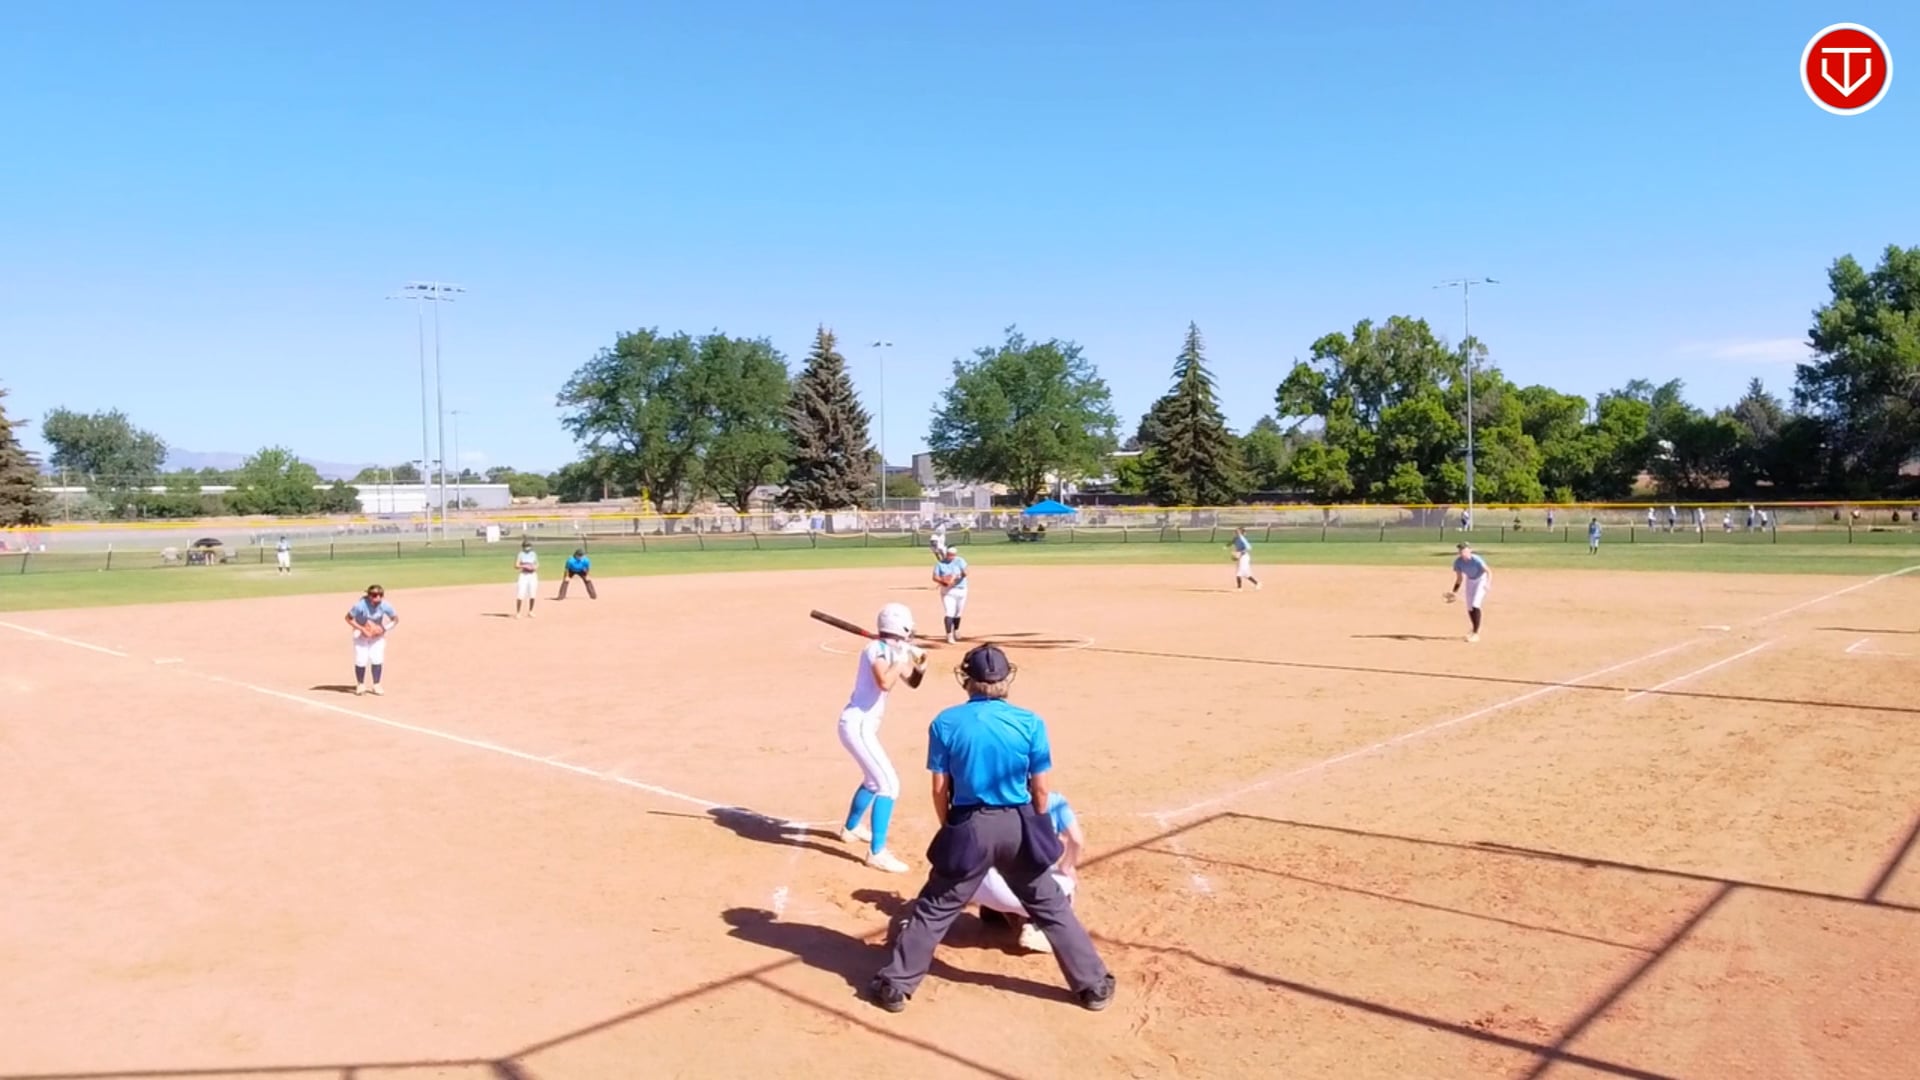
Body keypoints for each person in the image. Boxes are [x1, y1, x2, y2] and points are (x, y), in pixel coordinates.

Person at [868, 644, 1115, 1014]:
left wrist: (952, 827)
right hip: (1019, 822)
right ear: (1005, 679)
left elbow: (939, 788)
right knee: (1049, 905)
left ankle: (896, 985)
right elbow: (1041, 790)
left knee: (936, 905)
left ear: (967, 679)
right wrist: (1035, 826)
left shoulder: (945, 722)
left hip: (970, 823)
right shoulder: (1030, 722)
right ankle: (1093, 986)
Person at [838, 602, 927, 873]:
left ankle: (851, 828)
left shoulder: (890, 650)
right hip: (858, 726)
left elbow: (912, 683)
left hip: (863, 727)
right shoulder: (875, 649)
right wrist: (900, 658)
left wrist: (920, 666)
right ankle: (877, 853)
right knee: (889, 785)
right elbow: (885, 682)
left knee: (872, 781)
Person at [971, 790, 1085, 954]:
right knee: (1066, 884)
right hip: (1025, 890)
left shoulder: (988, 798)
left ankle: (996, 911)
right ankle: (1039, 928)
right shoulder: (1054, 800)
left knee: (995, 862)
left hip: (980, 888)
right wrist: (1066, 867)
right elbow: (1077, 840)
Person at [343, 585, 397, 696]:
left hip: (376, 636)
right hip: (361, 635)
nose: (378, 597)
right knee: (361, 658)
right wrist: (362, 629)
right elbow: (348, 618)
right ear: (369, 596)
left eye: (380, 595)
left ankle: (376, 685)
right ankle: (360, 685)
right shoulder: (360, 605)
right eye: (374, 595)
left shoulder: (385, 605)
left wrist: (384, 629)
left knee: (377, 658)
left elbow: (395, 619)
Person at [1448, 541, 1491, 643]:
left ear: (1470, 550)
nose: (1462, 552)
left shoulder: (1476, 559)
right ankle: (1474, 628)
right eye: (1460, 550)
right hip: (1470, 581)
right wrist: (1454, 592)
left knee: (1475, 604)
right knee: (1469, 607)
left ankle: (1476, 633)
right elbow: (1459, 579)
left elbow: (1488, 571)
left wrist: (1488, 583)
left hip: (1481, 579)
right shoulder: (1458, 562)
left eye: (1464, 550)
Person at [932, 545, 969, 644]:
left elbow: (966, 572)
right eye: (949, 554)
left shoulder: (960, 561)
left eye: (953, 555)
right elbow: (935, 577)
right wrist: (943, 581)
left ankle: (956, 630)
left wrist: (956, 577)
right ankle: (949, 635)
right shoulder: (940, 564)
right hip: (948, 591)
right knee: (950, 612)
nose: (951, 556)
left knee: (958, 612)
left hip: (961, 589)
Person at [1229, 526, 1260, 591]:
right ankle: (1257, 583)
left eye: (1238, 531)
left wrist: (1240, 552)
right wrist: (1226, 546)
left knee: (1239, 572)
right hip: (1240, 557)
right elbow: (1231, 542)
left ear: (1241, 532)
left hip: (1244, 557)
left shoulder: (1242, 539)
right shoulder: (1236, 538)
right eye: (1236, 531)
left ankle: (1239, 588)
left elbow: (1249, 548)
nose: (1236, 532)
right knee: (1246, 574)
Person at [514, 539, 539, 618]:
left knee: (532, 593)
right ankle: (518, 612)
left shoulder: (533, 554)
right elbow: (516, 565)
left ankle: (530, 611)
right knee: (520, 593)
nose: (527, 547)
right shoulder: (520, 554)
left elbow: (537, 564)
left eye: (528, 546)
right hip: (524, 575)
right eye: (526, 546)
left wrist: (534, 567)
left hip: (532, 575)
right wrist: (524, 566)